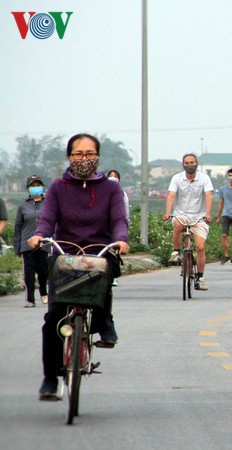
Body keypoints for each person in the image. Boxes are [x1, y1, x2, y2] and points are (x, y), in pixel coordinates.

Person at [28, 133, 129, 400]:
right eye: (78, 154)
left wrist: (120, 239)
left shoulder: (111, 188)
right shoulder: (58, 187)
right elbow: (47, 219)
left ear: (98, 157)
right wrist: (39, 235)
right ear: (69, 157)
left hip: (99, 253)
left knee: (106, 269)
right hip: (65, 255)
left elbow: (119, 219)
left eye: (90, 154)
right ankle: (50, 378)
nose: (84, 159)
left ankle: (104, 321)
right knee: (53, 320)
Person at [163, 153, 213, 291]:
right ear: (183, 164)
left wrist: (208, 214)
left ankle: (201, 277)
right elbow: (171, 195)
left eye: (192, 162)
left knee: (201, 247)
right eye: (187, 162)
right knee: (178, 224)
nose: (190, 165)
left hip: (199, 217)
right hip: (182, 214)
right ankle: (176, 252)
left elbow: (209, 196)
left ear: (197, 163)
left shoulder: (204, 178)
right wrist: (168, 212)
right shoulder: (176, 179)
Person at [14, 175, 49, 307]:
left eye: (38, 185)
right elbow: (18, 227)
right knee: (28, 273)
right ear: (28, 188)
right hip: (26, 244)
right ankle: (30, 299)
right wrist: (17, 247)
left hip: (44, 243)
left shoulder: (48, 203)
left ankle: (43, 292)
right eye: (33, 186)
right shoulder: (23, 205)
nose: (36, 188)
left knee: (43, 271)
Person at [107, 170, 128, 287]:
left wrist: (123, 232)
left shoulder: (122, 194)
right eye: (110, 176)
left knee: (113, 252)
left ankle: (113, 276)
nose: (113, 178)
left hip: (115, 226)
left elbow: (124, 215)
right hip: (103, 227)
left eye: (115, 176)